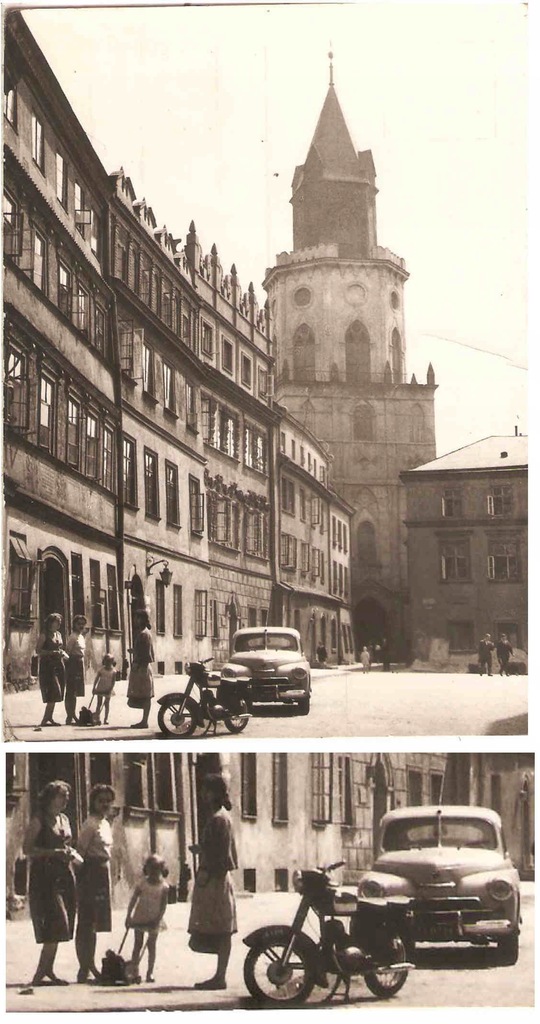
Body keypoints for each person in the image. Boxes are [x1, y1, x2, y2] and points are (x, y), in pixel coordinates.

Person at [23, 780, 78, 989]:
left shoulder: (64, 819)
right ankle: (40, 973)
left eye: (67, 796)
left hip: (64, 874)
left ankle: (48, 969)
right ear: (50, 797)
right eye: (62, 795)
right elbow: (27, 848)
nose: (66, 800)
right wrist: (53, 853)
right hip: (44, 877)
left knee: (62, 924)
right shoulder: (39, 819)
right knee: (57, 921)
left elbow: (68, 844)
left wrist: (70, 854)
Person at [188, 774, 238, 991]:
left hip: (216, 878)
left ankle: (220, 976)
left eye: (206, 790)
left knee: (222, 928)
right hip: (214, 876)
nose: (203, 795)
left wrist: (207, 873)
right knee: (219, 927)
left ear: (215, 793)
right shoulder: (218, 817)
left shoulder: (219, 818)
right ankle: (219, 975)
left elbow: (223, 854)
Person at [75, 784, 115, 983]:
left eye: (108, 800)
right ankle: (84, 968)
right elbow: (80, 852)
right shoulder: (90, 824)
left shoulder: (105, 823)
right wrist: (80, 878)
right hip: (90, 872)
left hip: (102, 872)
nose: (105, 804)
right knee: (86, 921)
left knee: (95, 922)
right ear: (93, 802)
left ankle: (90, 964)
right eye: (101, 800)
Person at [125, 855, 169, 983]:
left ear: (162, 870)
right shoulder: (142, 884)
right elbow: (134, 899)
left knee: (151, 945)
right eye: (151, 870)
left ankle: (150, 972)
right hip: (140, 916)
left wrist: (159, 919)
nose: (154, 873)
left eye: (157, 870)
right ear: (146, 870)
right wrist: (129, 915)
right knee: (137, 944)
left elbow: (163, 906)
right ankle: (134, 971)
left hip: (154, 919)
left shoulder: (164, 887)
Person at [35, 613, 67, 728]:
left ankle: (49, 717)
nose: (59, 624)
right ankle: (45, 718)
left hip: (59, 664)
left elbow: (60, 648)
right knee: (54, 690)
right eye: (57, 621)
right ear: (50, 622)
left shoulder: (58, 634)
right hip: (47, 666)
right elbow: (38, 650)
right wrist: (51, 653)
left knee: (58, 692)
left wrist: (62, 653)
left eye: (60, 622)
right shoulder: (44, 634)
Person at [127, 609, 155, 728]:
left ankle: (145, 721)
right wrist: (135, 651)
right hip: (141, 666)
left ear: (142, 619)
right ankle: (144, 720)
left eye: (137, 618)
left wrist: (139, 666)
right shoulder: (143, 633)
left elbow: (147, 654)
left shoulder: (144, 634)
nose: (135, 620)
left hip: (142, 667)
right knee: (144, 694)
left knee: (145, 695)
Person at [64, 615, 87, 725]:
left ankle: (72, 714)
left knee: (75, 691)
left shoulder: (81, 636)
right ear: (74, 625)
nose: (81, 626)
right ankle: (69, 716)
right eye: (79, 624)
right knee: (71, 691)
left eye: (83, 624)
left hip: (79, 663)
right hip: (73, 663)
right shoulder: (73, 637)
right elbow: (67, 652)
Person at [92, 654, 117, 724]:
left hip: (108, 689)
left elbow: (113, 682)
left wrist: (110, 689)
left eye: (109, 662)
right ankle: (97, 718)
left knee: (106, 704)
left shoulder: (114, 672)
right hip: (100, 687)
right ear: (104, 662)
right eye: (106, 661)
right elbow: (96, 679)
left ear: (112, 662)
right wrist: (94, 687)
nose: (108, 663)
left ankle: (106, 719)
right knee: (99, 703)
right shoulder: (101, 670)